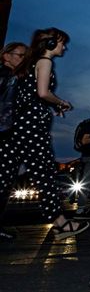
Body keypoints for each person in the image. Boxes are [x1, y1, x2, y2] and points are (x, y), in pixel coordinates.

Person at [0, 29, 90, 240]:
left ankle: (59, 223)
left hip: (17, 127)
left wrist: (50, 105)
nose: (64, 47)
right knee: (45, 174)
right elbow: (42, 93)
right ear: (50, 43)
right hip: (31, 128)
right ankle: (59, 224)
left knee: (4, 178)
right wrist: (61, 102)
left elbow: (29, 95)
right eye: (61, 43)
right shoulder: (45, 62)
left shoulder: (28, 66)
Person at [0, 42, 27, 241]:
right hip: (4, 135)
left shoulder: (14, 78)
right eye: (19, 55)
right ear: (6, 56)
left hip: (9, 136)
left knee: (6, 181)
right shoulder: (5, 77)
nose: (23, 59)